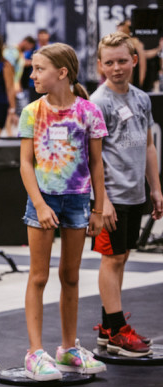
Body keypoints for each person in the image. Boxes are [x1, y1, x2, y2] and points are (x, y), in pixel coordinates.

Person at [18, 43, 108, 381]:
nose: (33, 75)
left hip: (78, 201)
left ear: (62, 72)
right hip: (44, 200)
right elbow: (26, 164)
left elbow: (97, 164)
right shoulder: (31, 112)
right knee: (38, 276)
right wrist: (40, 204)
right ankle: (35, 353)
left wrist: (98, 207)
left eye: (39, 69)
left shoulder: (88, 112)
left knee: (70, 276)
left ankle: (68, 348)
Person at [91, 32, 163, 357]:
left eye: (122, 61)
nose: (116, 68)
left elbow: (149, 145)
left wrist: (156, 187)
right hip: (112, 196)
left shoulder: (142, 98)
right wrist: (101, 200)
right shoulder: (98, 102)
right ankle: (118, 331)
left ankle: (109, 327)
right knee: (112, 258)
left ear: (134, 60)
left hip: (135, 194)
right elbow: (92, 158)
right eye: (109, 62)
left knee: (123, 257)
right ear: (100, 65)